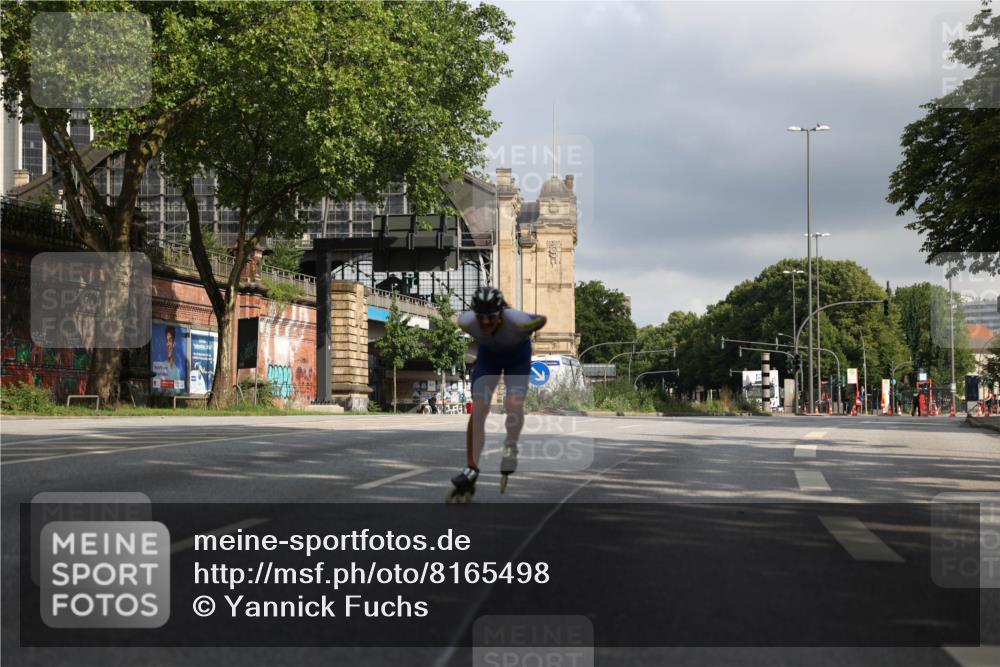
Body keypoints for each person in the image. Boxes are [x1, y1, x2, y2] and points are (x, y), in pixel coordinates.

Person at [448, 286, 547, 498]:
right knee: (480, 409)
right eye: (481, 318)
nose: (485, 323)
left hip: (517, 358)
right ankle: (471, 468)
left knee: (513, 403)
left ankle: (511, 445)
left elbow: (542, 319)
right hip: (489, 358)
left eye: (491, 318)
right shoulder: (466, 321)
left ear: (501, 314)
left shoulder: (519, 321)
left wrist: (531, 334)